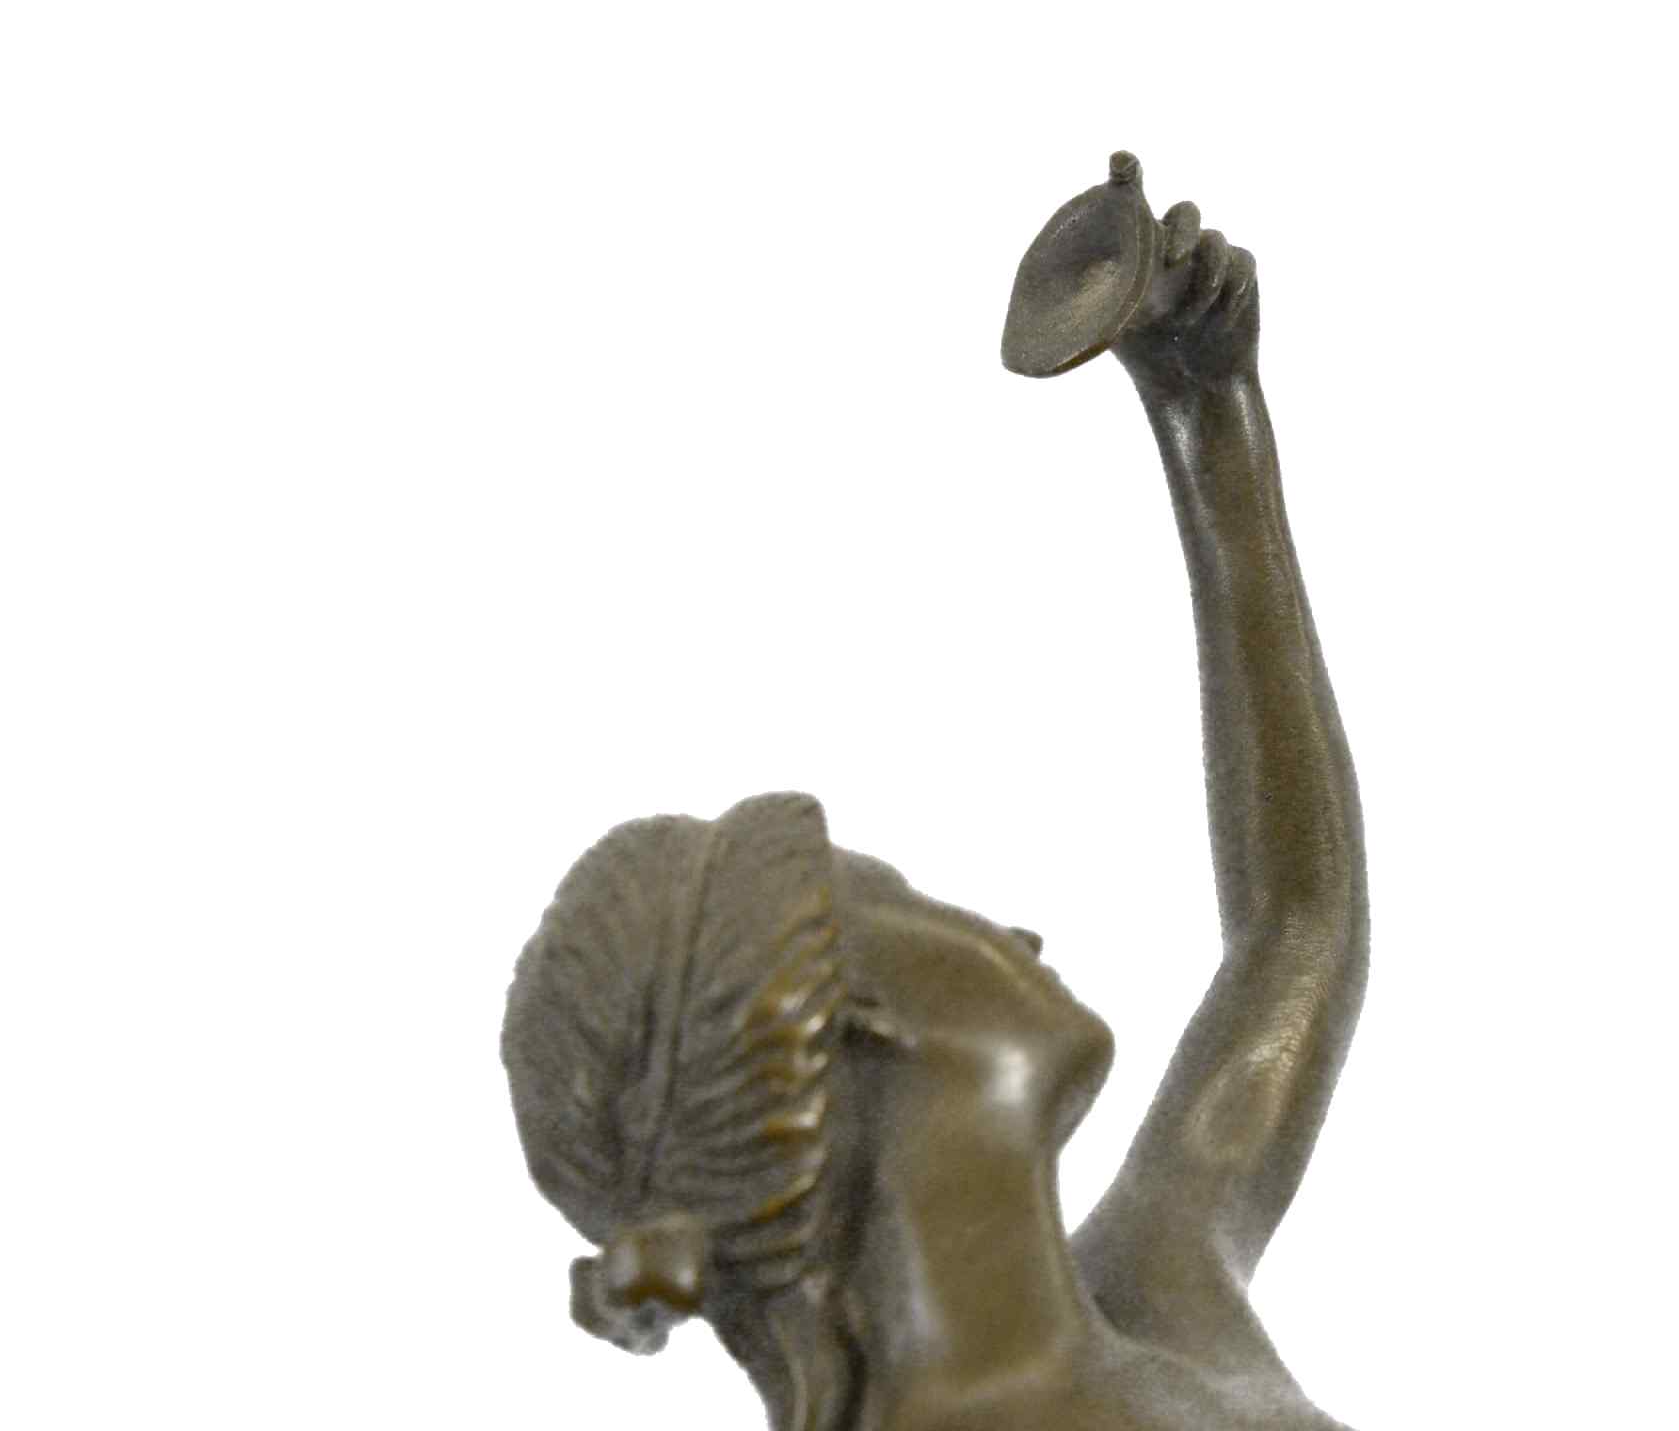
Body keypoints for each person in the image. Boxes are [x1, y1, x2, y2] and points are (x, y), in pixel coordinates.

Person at [501, 188, 1368, 1431]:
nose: (1009, 930)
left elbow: (1294, 931)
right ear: (857, 1018)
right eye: (911, 901)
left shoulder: (1145, 1299)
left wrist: (1207, 406)